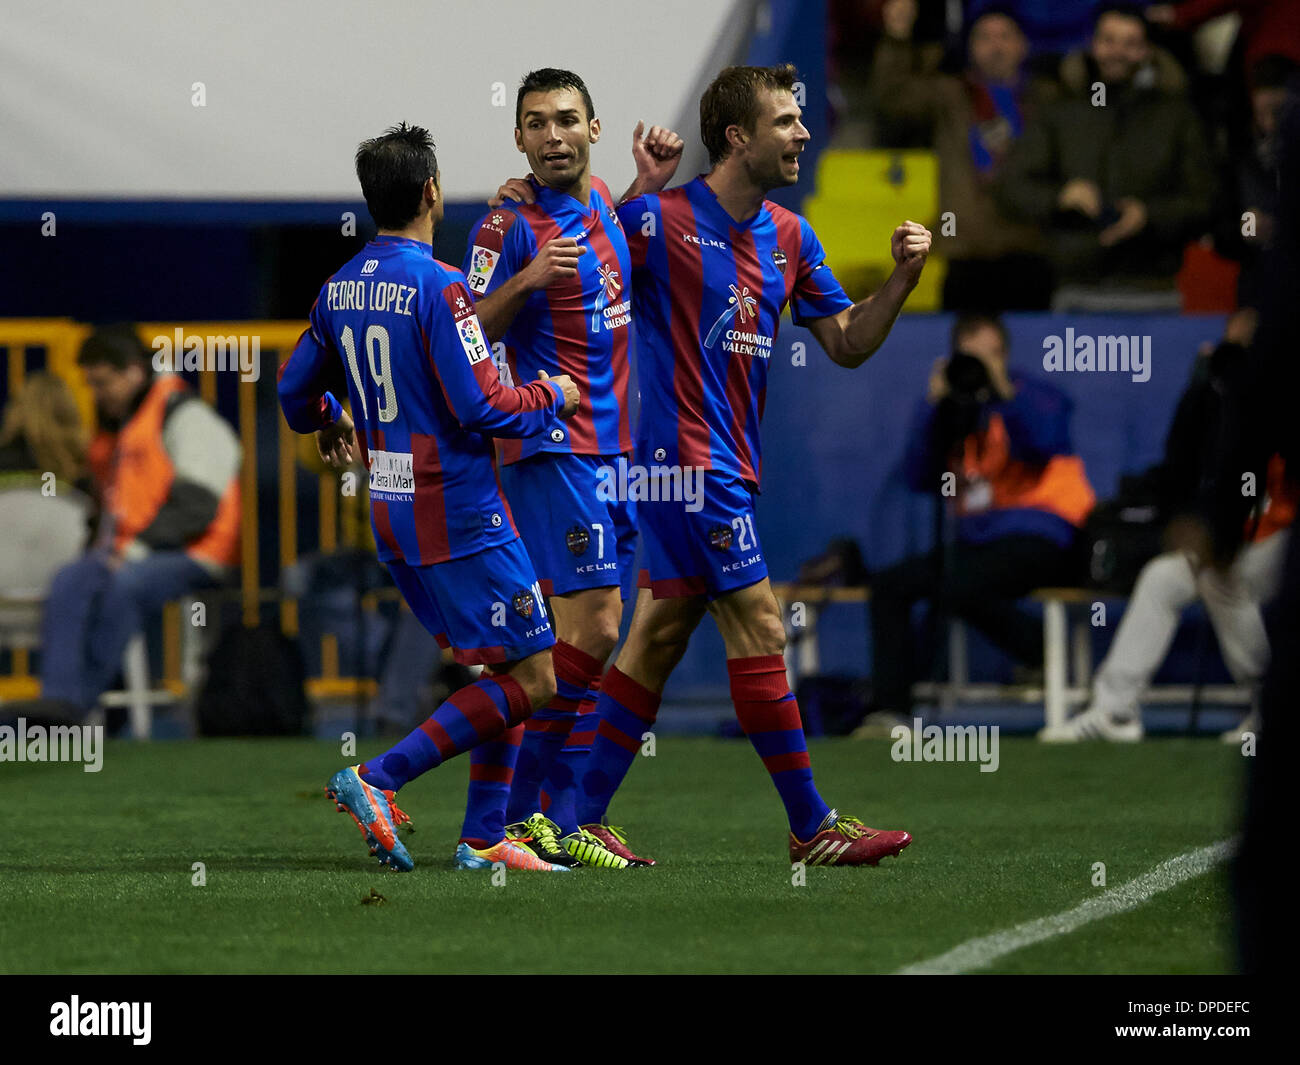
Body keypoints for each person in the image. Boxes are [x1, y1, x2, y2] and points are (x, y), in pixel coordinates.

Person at [498, 63, 927, 866]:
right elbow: (579, 241)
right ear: (739, 137)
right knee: (762, 622)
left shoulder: (792, 237)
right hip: (681, 465)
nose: (804, 133)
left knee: (658, 635)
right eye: (788, 120)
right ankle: (811, 824)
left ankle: (569, 813)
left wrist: (902, 279)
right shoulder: (659, 222)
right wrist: (525, 199)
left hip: (727, 464)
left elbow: (846, 344)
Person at [278, 122, 583, 873]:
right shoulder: (440, 286)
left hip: (392, 511)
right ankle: (377, 777)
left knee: (498, 670)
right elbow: (483, 406)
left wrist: (328, 419)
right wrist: (554, 393)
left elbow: (293, 393)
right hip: (460, 509)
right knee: (537, 675)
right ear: (430, 193)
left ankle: (483, 838)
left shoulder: (339, 286)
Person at [458, 68, 683, 869]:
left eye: (565, 120)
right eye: (535, 123)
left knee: (578, 634)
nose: (551, 135)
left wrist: (646, 184)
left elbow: (601, 257)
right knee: (590, 629)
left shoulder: (598, 209)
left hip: (614, 451)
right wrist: (523, 280)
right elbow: (465, 330)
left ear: (593, 128)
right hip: (551, 444)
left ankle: (552, 813)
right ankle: (524, 817)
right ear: (517, 138)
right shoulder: (505, 225)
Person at [1042, 313, 1296, 742]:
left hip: (1286, 537)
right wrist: (1206, 391)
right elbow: (1182, 463)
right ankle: (1114, 710)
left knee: (1218, 575)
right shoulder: (1222, 399)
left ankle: (1272, 704)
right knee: (1163, 577)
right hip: (1245, 535)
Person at [862, 313, 1096, 730]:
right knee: (891, 584)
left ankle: (1042, 651)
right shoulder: (956, 409)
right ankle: (890, 712)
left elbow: (1044, 444)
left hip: (1045, 535)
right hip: (980, 541)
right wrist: (933, 408)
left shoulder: (1036, 395)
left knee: (956, 583)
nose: (979, 367)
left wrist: (1003, 391)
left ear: (1004, 355)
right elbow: (920, 476)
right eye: (970, 358)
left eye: (988, 356)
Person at [20, 326, 241, 724]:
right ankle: (57, 700)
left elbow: (197, 507)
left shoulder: (186, 415)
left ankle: (77, 706)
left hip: (195, 554)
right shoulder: (120, 425)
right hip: (129, 552)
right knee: (71, 579)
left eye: (102, 382)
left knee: (125, 585)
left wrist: (134, 550)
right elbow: (109, 506)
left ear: (134, 372)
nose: (96, 393)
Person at [998, 4, 1213, 309]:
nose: (1117, 52)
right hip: (1074, 289)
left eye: (1130, 43)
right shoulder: (1060, 111)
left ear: (1147, 51)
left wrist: (1148, 215)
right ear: (1092, 44)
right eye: (1108, 41)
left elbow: (1206, 201)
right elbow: (1012, 188)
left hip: (1154, 289)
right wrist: (1061, 196)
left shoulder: (1177, 116)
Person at [871, 3, 1058, 309]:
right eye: (984, 38)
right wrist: (897, 37)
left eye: (1005, 36)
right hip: (966, 252)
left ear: (1023, 45)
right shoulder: (950, 94)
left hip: (1031, 250)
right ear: (970, 48)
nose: (995, 46)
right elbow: (893, 97)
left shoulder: (1048, 98)